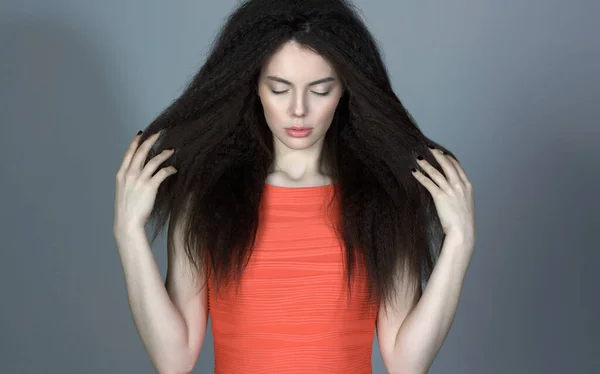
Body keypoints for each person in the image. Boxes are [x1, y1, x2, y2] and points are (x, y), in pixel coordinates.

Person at [113, 0, 476, 373]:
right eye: (279, 88)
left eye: (320, 90)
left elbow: (406, 363)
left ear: (345, 91)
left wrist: (459, 243)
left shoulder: (383, 201)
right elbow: (173, 360)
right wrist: (128, 234)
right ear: (253, 86)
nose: (298, 110)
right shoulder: (207, 199)